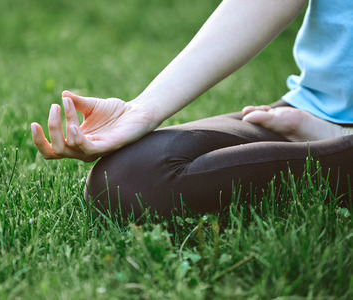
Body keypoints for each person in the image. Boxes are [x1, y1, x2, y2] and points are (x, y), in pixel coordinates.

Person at [31, 0, 353, 216]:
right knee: (126, 178)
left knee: (142, 191)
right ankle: (331, 132)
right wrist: (143, 109)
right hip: (312, 103)